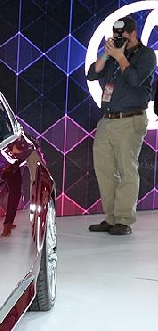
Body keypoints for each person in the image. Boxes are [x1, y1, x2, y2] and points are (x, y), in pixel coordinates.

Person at [86, 16, 156, 235]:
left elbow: (135, 80)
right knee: (105, 170)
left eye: (122, 36)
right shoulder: (115, 54)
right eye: (116, 36)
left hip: (130, 120)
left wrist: (120, 57)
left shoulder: (146, 55)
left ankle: (124, 219)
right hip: (107, 120)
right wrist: (107, 54)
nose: (119, 39)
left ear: (133, 34)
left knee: (127, 170)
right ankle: (112, 217)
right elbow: (92, 74)